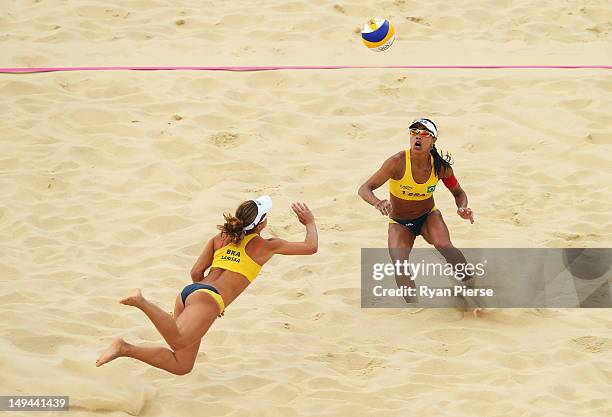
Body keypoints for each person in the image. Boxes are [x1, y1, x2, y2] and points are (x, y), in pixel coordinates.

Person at [96, 196, 318, 374]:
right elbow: (311, 247)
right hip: (208, 298)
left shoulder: (221, 237)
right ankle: (141, 301)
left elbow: (195, 271)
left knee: (182, 365)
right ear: (261, 223)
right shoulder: (266, 246)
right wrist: (309, 222)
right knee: (178, 339)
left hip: (191, 294)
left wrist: (201, 298)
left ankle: (124, 348)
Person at [358, 118, 475, 304]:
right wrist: (377, 202)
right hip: (400, 222)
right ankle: (413, 306)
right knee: (399, 264)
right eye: (414, 133)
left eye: (424, 134)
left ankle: (472, 284)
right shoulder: (397, 162)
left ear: (433, 140)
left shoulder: (440, 167)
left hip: (428, 216)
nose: (417, 137)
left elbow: (458, 192)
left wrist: (462, 208)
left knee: (445, 245)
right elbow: (365, 188)